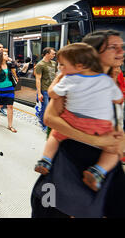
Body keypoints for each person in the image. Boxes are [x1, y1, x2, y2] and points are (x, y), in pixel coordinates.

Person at [31, 29, 125, 218]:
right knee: (51, 206)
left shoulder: (116, 79)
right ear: (94, 53)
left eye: (121, 47)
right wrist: (96, 140)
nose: (121, 52)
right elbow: (50, 119)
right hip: (71, 156)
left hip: (106, 161)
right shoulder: (70, 79)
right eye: (113, 48)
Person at [0, 51, 19, 133]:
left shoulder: (9, 65)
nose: (7, 55)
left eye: (7, 54)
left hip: (10, 87)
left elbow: (16, 65)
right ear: (1, 56)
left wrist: (11, 60)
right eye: (5, 54)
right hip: (1, 88)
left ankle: (10, 125)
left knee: (10, 106)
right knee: (0, 104)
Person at [34, 47, 57, 131]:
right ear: (47, 54)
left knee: (51, 108)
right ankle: (44, 125)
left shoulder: (54, 63)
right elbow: (38, 79)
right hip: (44, 90)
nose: (54, 55)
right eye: (53, 54)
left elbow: (55, 75)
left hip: (53, 89)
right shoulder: (40, 65)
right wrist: (39, 93)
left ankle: (42, 116)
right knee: (45, 107)